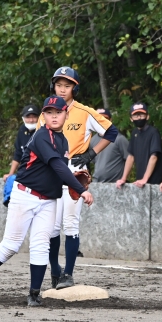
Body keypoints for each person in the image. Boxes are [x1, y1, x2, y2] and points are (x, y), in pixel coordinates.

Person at [0, 96, 93, 307]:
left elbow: (58, 171)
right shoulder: (42, 136)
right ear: (44, 116)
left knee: (41, 245)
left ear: (66, 114)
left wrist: (71, 182)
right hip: (25, 195)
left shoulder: (64, 141)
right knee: (11, 245)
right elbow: (57, 165)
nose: (54, 116)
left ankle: (34, 294)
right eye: (49, 112)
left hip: (48, 200)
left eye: (58, 112)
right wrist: (80, 189)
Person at [38, 66, 118, 290]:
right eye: (59, 85)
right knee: (52, 227)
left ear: (75, 88)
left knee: (70, 224)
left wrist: (92, 153)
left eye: (67, 85)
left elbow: (111, 132)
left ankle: (68, 274)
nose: (62, 89)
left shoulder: (84, 112)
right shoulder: (47, 112)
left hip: (74, 170)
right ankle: (55, 269)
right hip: (51, 172)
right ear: (53, 86)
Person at [115, 103, 162, 189]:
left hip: (154, 183)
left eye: (141, 115)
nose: (139, 118)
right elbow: (131, 157)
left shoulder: (153, 132)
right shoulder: (135, 133)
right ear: (131, 119)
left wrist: (145, 179)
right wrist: (123, 178)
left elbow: (154, 157)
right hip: (140, 182)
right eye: (136, 115)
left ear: (147, 116)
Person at [90, 108, 129, 183]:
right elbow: (94, 161)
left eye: (105, 118)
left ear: (110, 120)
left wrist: (124, 178)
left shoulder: (119, 139)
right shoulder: (92, 140)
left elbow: (129, 159)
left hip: (116, 184)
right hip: (96, 182)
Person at [3, 104, 40, 182]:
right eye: (28, 117)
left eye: (34, 117)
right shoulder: (22, 130)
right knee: (10, 181)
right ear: (23, 118)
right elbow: (18, 153)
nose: (31, 120)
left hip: (39, 172)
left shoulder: (42, 131)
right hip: (25, 171)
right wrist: (10, 174)